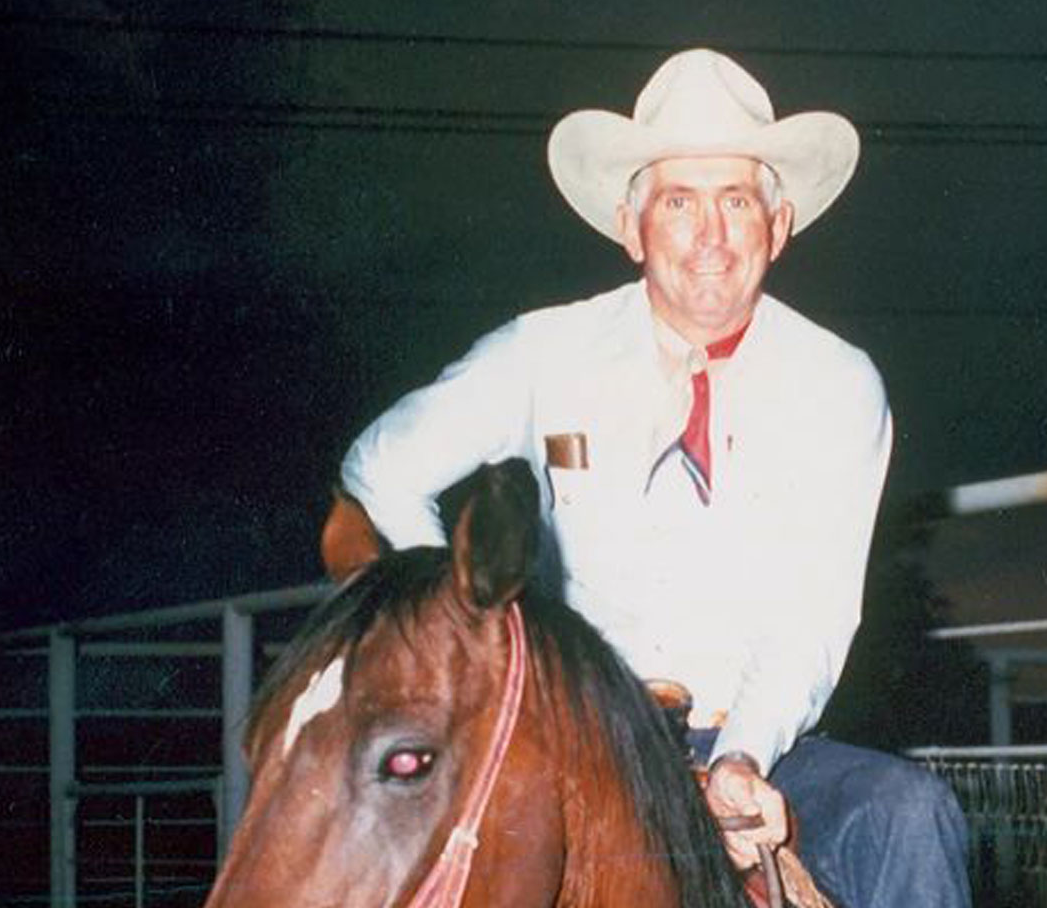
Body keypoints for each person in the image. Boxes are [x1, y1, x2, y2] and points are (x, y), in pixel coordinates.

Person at [340, 48, 971, 907]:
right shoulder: (542, 353)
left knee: (911, 813)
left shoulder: (836, 380)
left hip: (755, 744)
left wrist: (742, 760)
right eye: (678, 201)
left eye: (736, 201)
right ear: (632, 226)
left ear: (777, 226)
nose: (710, 236)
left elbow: (813, 614)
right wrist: (487, 640)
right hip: (575, 745)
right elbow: (382, 468)